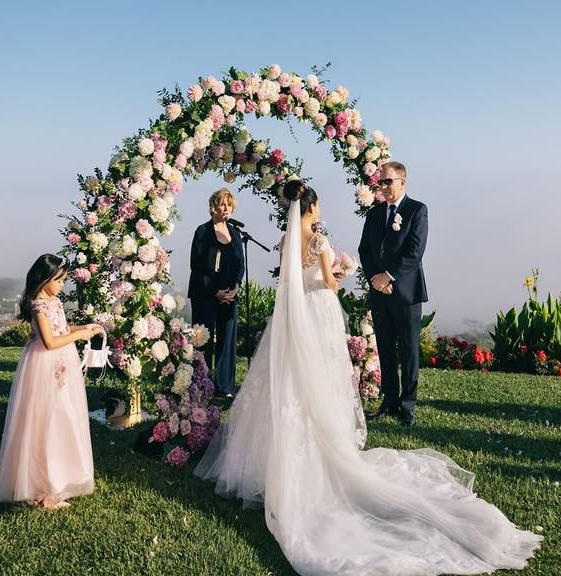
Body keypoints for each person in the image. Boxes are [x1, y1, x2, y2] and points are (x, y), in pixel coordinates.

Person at [196, 180, 541, 575]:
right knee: (320, 380)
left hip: (291, 321)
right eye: (318, 202)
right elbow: (328, 282)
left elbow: (287, 282)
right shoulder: (318, 241)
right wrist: (341, 270)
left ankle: (268, 464)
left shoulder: (286, 240)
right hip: (319, 313)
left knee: (286, 382)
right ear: (310, 206)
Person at [0, 253, 101, 509]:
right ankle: (42, 487)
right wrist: (79, 337)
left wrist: (83, 328)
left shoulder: (54, 303)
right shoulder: (39, 306)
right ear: (44, 279)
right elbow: (50, 341)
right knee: (45, 420)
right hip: (43, 366)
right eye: (59, 280)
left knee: (63, 416)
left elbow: (61, 331)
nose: (62, 285)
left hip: (61, 366)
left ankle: (57, 482)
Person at [358, 160, 427, 426]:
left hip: (406, 293)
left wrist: (389, 276)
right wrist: (375, 279)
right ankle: (389, 401)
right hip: (380, 293)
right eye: (381, 182)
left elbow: (415, 252)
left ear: (402, 182)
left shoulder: (417, 210)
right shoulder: (374, 214)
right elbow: (365, 249)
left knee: (409, 351)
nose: (384, 186)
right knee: (385, 349)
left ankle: (407, 406)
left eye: (388, 181)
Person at [187, 188, 245, 397]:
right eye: (222, 204)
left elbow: (241, 265)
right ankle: (201, 385)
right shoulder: (202, 231)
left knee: (227, 340)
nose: (226, 207)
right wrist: (215, 292)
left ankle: (224, 386)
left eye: (229, 204)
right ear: (213, 207)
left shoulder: (236, 233)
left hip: (230, 296)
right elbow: (197, 266)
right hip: (205, 294)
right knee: (203, 340)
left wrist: (235, 288)